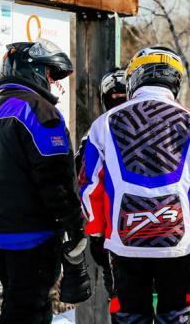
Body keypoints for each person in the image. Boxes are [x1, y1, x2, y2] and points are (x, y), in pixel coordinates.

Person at [79, 47, 190, 323]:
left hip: (124, 239)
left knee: (130, 315)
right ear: (175, 81)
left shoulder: (103, 123)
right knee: (179, 314)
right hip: (179, 240)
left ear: (135, 78)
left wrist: (95, 233)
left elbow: (89, 185)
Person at [0, 40, 89, 324]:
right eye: (50, 74)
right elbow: (55, 177)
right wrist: (74, 225)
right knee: (29, 309)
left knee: (18, 300)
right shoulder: (38, 111)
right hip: (32, 233)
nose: (53, 83)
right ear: (32, 70)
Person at [74, 67, 127, 307]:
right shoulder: (95, 132)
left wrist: (95, 231)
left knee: (124, 303)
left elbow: (83, 180)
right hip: (160, 230)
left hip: (112, 234)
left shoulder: (97, 130)